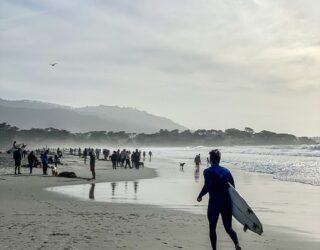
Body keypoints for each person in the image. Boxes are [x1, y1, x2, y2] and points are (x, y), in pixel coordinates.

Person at [197, 149, 241, 250]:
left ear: (210, 160)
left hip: (214, 204)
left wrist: (200, 196)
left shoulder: (207, 171)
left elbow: (207, 186)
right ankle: (237, 244)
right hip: (226, 203)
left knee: (212, 228)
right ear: (219, 159)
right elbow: (233, 188)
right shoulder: (227, 171)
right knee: (228, 228)